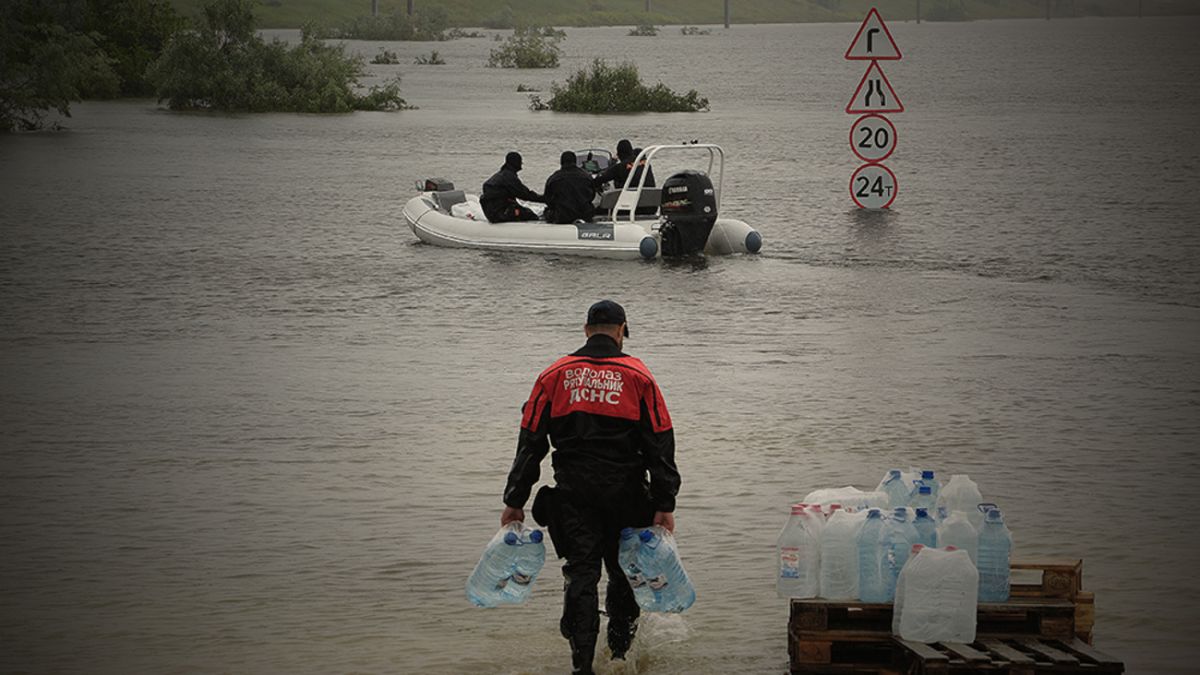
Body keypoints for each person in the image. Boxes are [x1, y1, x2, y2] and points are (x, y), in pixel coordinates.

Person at [500, 300, 680, 675]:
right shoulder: (639, 376)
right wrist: (665, 502)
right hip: (627, 494)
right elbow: (660, 441)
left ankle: (582, 666)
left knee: (581, 574)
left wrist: (514, 500)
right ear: (621, 330)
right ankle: (618, 658)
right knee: (623, 574)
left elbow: (531, 440)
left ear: (586, 330)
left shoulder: (554, 375)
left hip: (573, 495)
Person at [481, 151, 545, 222]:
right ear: (516, 163)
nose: (521, 164)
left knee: (524, 210)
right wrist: (545, 199)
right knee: (530, 214)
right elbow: (524, 194)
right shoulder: (509, 177)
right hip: (501, 214)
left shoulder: (499, 176)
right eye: (520, 162)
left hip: (491, 213)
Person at [543, 151, 597, 224]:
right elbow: (592, 196)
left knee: (546, 211)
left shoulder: (553, 178)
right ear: (575, 162)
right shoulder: (587, 176)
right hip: (585, 215)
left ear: (561, 162)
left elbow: (548, 199)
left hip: (562, 216)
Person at [592, 139, 656, 190]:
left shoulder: (619, 167)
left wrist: (612, 164)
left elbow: (599, 180)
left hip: (631, 202)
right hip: (650, 201)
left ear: (619, 154)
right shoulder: (645, 164)